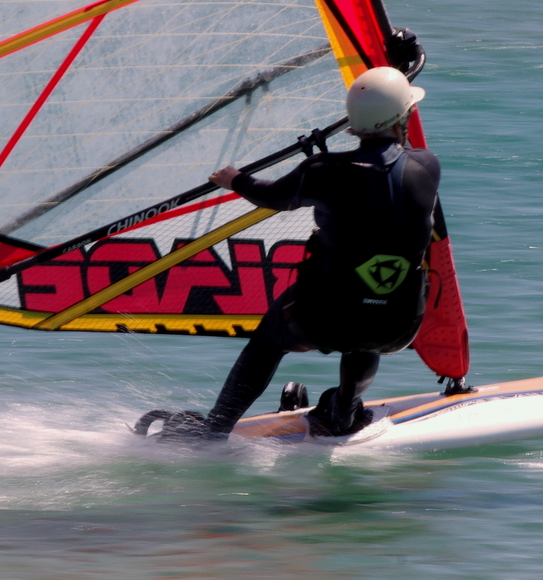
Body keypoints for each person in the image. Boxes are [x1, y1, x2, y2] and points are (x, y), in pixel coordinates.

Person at [164, 65, 441, 441]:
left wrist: (235, 180)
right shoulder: (428, 166)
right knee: (370, 327)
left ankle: (215, 430)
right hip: (398, 325)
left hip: (325, 319)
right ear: (402, 118)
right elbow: (387, 168)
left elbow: (272, 196)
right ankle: (343, 412)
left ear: (353, 124)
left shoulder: (322, 171)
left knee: (269, 341)